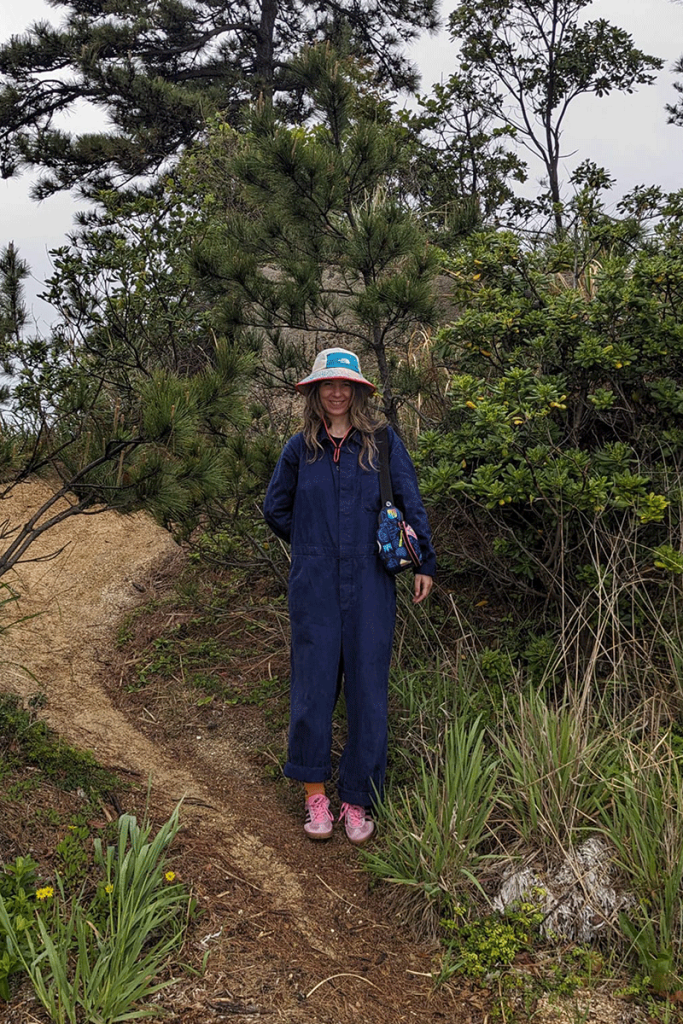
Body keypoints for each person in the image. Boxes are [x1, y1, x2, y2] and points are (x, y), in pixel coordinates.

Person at [263, 348, 436, 844]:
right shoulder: (301, 448)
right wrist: (312, 543)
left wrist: (425, 562)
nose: (337, 393)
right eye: (328, 385)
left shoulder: (381, 442)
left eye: (346, 385)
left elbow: (409, 500)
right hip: (314, 582)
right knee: (313, 686)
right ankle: (315, 794)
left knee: (368, 690)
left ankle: (357, 799)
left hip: (371, 580)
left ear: (358, 391)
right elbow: (275, 508)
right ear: (316, 391)